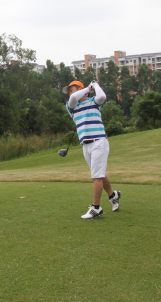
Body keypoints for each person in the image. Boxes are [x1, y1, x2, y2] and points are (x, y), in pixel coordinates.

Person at [63, 80, 121, 219]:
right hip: (86, 145)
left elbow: (102, 96)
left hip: (99, 142)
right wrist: (87, 89)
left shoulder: (94, 102)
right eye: (69, 91)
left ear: (82, 90)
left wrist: (94, 85)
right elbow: (73, 98)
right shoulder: (71, 106)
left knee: (96, 176)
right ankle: (113, 195)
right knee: (99, 173)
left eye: (73, 89)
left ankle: (96, 208)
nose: (71, 93)